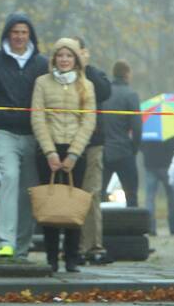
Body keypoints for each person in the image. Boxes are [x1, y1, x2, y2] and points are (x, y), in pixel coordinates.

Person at [0, 12, 48, 259]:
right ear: (7, 34)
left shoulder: (42, 64)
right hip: (3, 133)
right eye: (15, 32)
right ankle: (4, 241)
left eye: (23, 32)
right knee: (10, 178)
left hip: (34, 136)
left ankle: (22, 246)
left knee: (29, 191)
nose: (19, 36)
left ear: (30, 35)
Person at [30, 38, 96, 273]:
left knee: (73, 206)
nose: (65, 60)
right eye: (61, 56)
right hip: (48, 152)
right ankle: (51, 258)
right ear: (54, 58)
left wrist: (74, 154)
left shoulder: (86, 85)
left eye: (69, 56)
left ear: (76, 59)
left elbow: (89, 121)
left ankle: (71, 257)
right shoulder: (42, 83)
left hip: (75, 153)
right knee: (50, 204)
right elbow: (38, 117)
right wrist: (49, 151)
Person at [76, 38, 113, 264]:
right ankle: (73, 246)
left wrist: (84, 68)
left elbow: (104, 92)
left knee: (91, 194)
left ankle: (93, 245)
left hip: (92, 143)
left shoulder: (94, 75)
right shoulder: (55, 77)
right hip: (64, 144)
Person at [101, 60, 142, 207]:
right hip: (124, 151)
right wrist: (134, 148)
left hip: (104, 151)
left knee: (98, 194)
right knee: (131, 195)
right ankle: (133, 228)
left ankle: (98, 228)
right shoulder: (131, 95)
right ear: (127, 74)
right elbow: (137, 127)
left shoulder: (104, 93)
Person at [141, 136, 174, 235]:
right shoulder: (168, 128)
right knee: (172, 196)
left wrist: (146, 152)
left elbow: (140, 144)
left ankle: (150, 228)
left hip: (150, 164)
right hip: (167, 164)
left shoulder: (148, 128)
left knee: (150, 198)